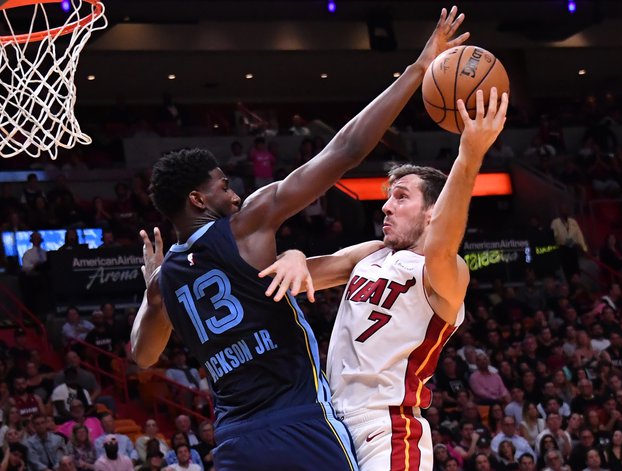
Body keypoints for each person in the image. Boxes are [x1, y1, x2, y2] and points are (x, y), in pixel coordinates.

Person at [131, 6, 470, 471]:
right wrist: (417, 69)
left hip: (232, 440)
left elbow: (143, 355)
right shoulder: (245, 224)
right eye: (224, 187)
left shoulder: (166, 279)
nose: (235, 195)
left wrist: (152, 294)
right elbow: (346, 149)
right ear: (197, 198)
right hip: (299, 422)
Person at [292, 82, 508, 469]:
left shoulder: (445, 271)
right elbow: (295, 275)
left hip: (387, 428)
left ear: (432, 212)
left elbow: (441, 246)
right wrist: (293, 256)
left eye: (402, 196)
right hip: (329, 427)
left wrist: (469, 156)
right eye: (389, 197)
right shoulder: (372, 254)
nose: (387, 207)